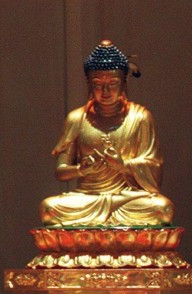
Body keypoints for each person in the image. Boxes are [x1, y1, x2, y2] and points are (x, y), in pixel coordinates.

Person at [40, 40, 174, 226]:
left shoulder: (140, 118)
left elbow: (155, 167)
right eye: (98, 84)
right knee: (49, 209)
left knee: (162, 209)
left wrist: (122, 165)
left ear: (124, 82)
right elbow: (60, 171)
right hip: (88, 197)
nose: (105, 91)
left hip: (125, 199)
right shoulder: (76, 118)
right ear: (89, 84)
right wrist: (80, 169)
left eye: (112, 83)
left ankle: (98, 230)